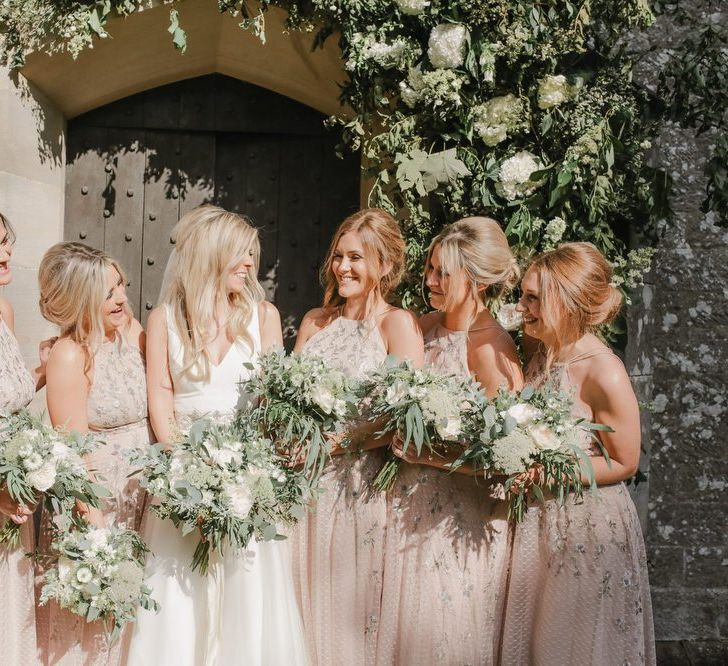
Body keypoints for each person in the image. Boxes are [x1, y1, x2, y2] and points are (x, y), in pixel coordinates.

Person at [128, 204, 307, 666]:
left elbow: (273, 398)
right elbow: (161, 402)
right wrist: (187, 472)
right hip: (186, 482)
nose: (251, 264)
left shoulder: (263, 315)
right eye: (241, 254)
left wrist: (250, 470)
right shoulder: (164, 320)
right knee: (180, 592)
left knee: (246, 593)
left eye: (252, 254)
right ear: (210, 254)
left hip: (249, 484)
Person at [499, 241, 655, 665]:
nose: (522, 305)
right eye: (523, 294)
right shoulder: (539, 353)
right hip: (536, 520)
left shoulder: (604, 369)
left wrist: (549, 476)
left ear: (565, 302)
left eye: (533, 297)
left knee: (577, 643)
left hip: (585, 525)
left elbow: (624, 461)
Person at [377, 216, 523, 665]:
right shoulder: (421, 327)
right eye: (430, 269)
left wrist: (434, 459)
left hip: (461, 517)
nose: (431, 281)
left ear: (476, 281)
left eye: (444, 273)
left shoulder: (491, 350)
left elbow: (507, 459)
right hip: (407, 505)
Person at [291, 208, 424, 666]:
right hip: (301, 485)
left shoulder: (397, 326)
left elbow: (403, 417)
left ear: (384, 266)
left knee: (349, 606)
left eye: (356, 258)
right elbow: (284, 398)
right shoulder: (315, 321)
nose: (342, 268)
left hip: (357, 488)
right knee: (298, 601)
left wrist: (337, 442)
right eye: (338, 257)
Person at [36, 241, 152, 665]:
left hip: (144, 496)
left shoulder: (132, 332)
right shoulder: (69, 355)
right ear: (81, 299)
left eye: (121, 285)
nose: (121, 297)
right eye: (107, 293)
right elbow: (72, 453)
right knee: (95, 629)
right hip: (101, 502)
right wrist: (98, 537)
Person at [0, 212, 49, 665]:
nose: (7, 252)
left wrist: (43, 371)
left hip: (14, 497)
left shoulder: (4, 311)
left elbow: (9, 398)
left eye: (7, 242)